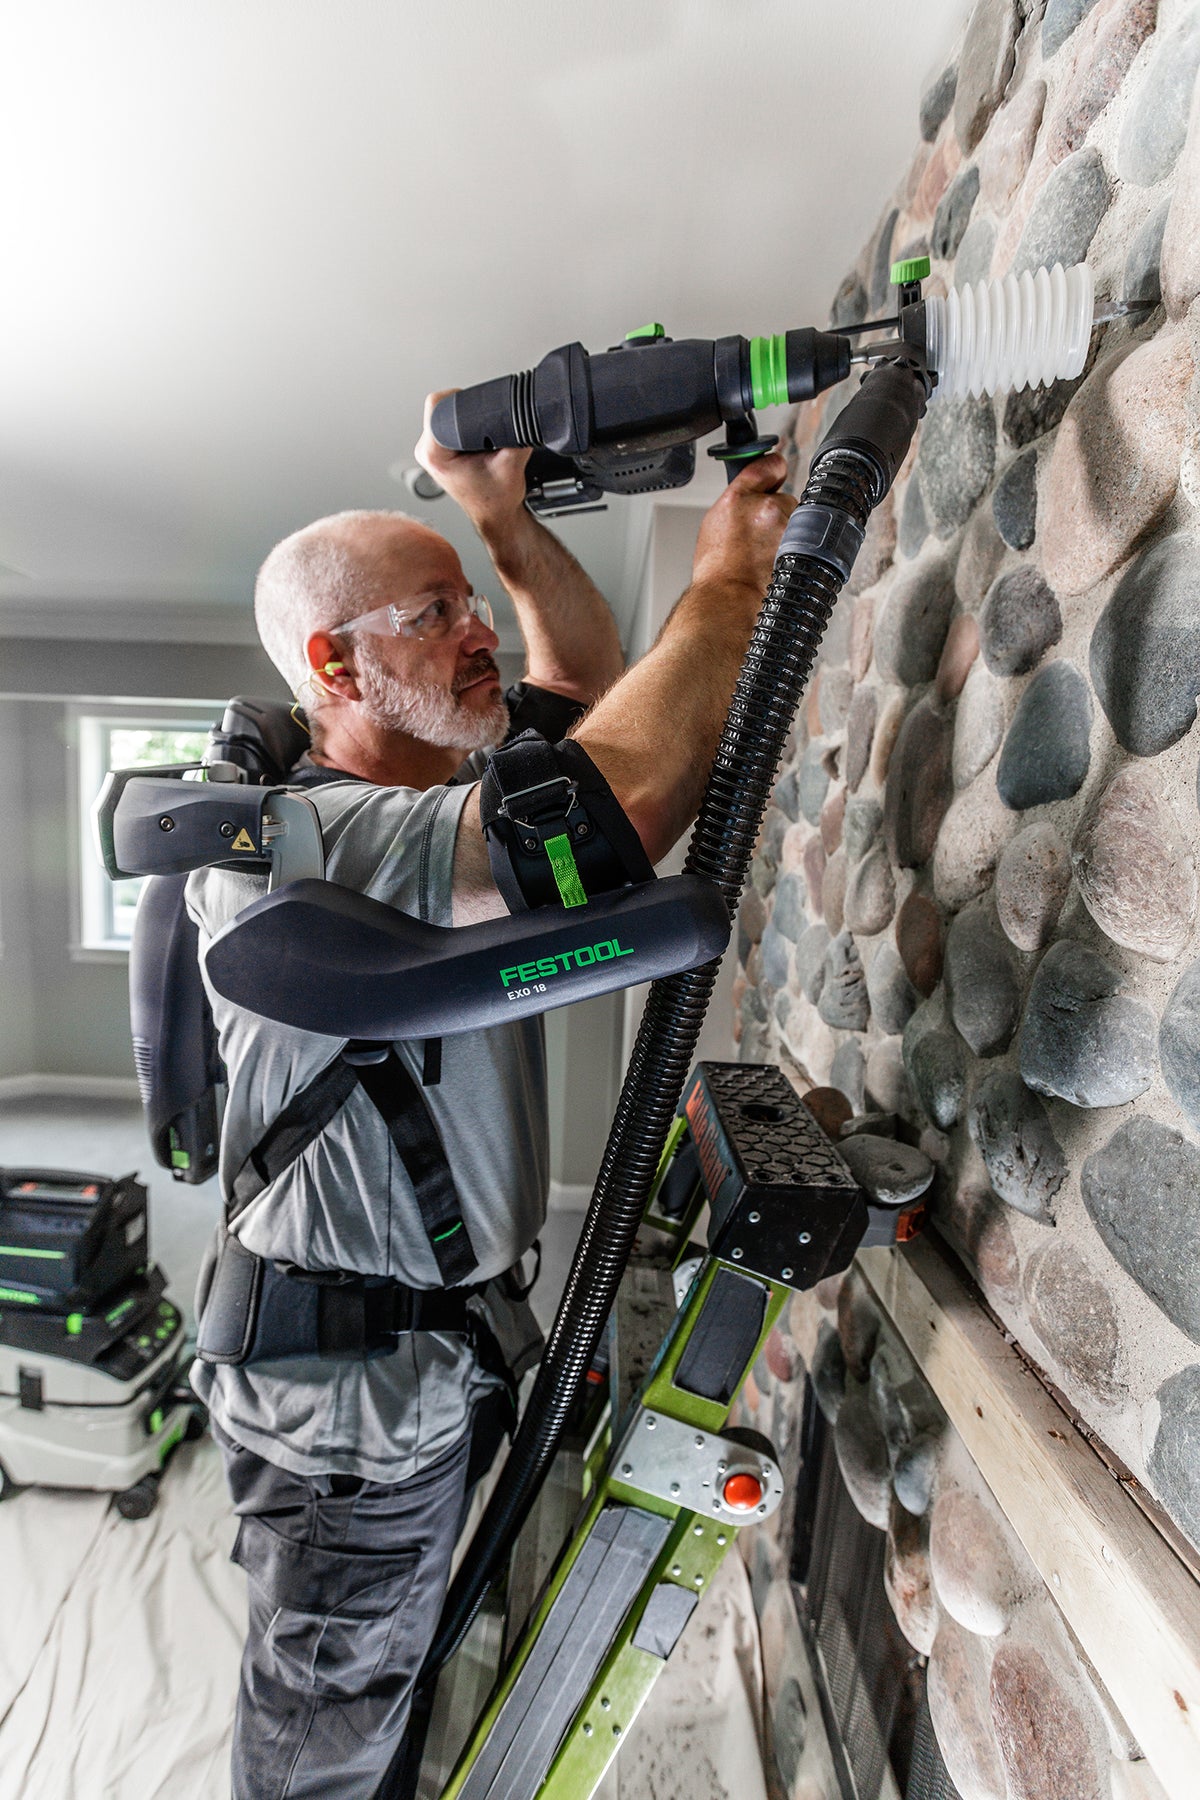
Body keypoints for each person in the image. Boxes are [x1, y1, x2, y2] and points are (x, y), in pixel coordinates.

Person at [186, 392, 795, 1800]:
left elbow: (585, 691)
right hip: (348, 1420)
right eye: (434, 613)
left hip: (424, 1367)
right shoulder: (319, 840)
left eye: (471, 604)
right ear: (335, 664)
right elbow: (609, 813)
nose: (480, 636)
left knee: (400, 1672)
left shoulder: (428, 791)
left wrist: (503, 521)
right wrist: (729, 582)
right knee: (326, 1733)